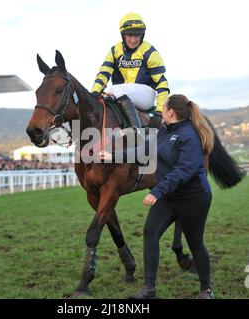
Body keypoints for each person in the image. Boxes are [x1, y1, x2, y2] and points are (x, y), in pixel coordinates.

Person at [127, 94, 215, 299]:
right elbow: (144, 151)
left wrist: (157, 191)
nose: (161, 110)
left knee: (195, 243)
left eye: (163, 107)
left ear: (170, 112)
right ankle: (149, 289)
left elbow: (183, 171)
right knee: (150, 233)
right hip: (169, 196)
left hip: (193, 198)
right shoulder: (165, 131)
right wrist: (112, 156)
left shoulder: (190, 135)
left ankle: (206, 290)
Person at [91, 12, 169, 134]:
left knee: (114, 90)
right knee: (107, 97)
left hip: (146, 95)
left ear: (142, 36)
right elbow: (104, 73)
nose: (133, 40)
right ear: (123, 35)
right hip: (122, 95)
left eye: (137, 36)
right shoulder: (115, 50)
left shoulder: (149, 51)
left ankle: (135, 130)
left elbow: (162, 83)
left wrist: (160, 111)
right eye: (130, 35)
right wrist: (95, 92)